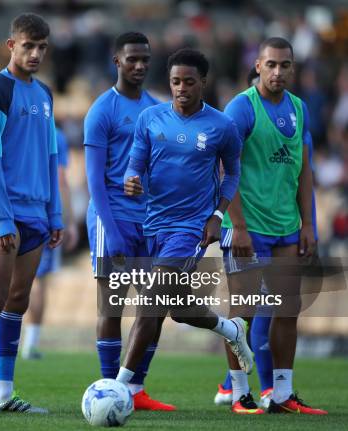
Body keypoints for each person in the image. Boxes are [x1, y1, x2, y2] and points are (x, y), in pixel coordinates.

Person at [119, 48, 253, 400]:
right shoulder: (150, 118)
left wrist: (218, 215)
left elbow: (232, 174)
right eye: (175, 82)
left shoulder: (222, 126)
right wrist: (131, 179)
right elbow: (135, 164)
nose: (181, 88)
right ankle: (230, 328)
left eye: (189, 82)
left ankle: (119, 388)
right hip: (153, 226)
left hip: (190, 229)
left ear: (203, 83)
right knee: (175, 309)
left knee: (149, 304)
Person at [219, 37, 327, 415]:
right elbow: (224, 169)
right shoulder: (241, 108)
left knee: (287, 309)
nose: (278, 72)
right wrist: (239, 226)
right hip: (248, 226)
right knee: (243, 312)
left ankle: (282, 394)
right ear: (258, 66)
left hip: (286, 226)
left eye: (285, 65)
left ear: (292, 68)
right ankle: (238, 395)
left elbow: (305, 171)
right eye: (271, 65)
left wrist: (309, 225)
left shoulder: (299, 108)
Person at [0, 13, 63, 415]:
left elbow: (51, 157)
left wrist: (55, 214)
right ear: (11, 45)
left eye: (42, 47)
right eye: (28, 46)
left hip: (38, 217)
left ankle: (4, 392)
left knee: (18, 302)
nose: (36, 54)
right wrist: (2, 219)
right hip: (4, 217)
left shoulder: (44, 95)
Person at [83, 31, 174, 411]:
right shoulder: (102, 110)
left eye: (145, 59)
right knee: (112, 308)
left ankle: (135, 390)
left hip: (149, 223)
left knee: (154, 309)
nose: (139, 65)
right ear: (116, 60)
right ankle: (108, 390)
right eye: (132, 58)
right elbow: (94, 179)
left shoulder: (157, 111)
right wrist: (111, 228)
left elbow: (162, 172)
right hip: (113, 219)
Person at [21, 127, 77, 360]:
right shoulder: (56, 135)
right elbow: (61, 178)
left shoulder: (12, 124)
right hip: (43, 213)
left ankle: (0, 337)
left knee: (8, 277)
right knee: (38, 283)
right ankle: (29, 344)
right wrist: (70, 220)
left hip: (14, 209)